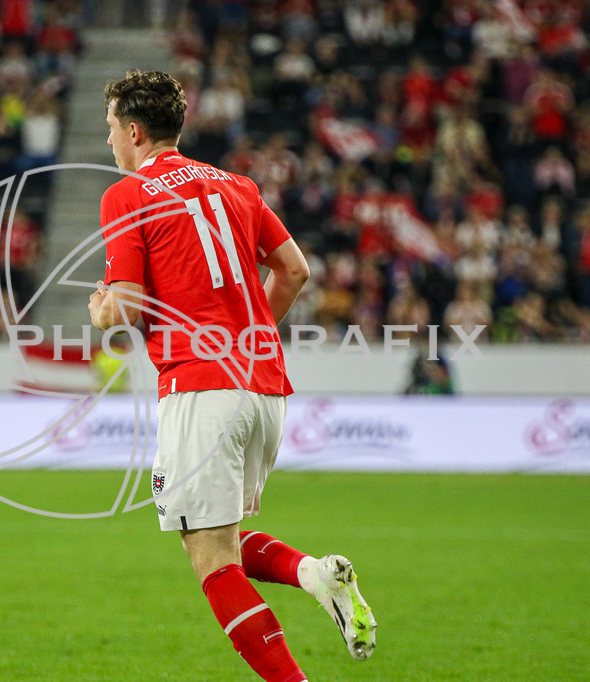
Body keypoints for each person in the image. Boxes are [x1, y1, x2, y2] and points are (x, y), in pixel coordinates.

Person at [88, 70, 377, 680]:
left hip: (200, 389)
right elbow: (294, 271)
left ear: (134, 131)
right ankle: (312, 574)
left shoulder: (128, 194)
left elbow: (130, 308)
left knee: (211, 560)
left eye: (111, 127)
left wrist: (101, 310)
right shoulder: (238, 186)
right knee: (220, 535)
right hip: (265, 387)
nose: (108, 139)